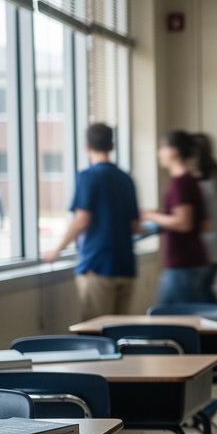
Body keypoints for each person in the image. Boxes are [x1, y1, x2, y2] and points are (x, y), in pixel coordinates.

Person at [43, 124, 141, 319]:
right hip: (125, 265)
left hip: (98, 264)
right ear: (112, 146)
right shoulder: (126, 179)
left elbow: (82, 220)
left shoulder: (88, 177)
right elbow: (135, 226)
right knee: (118, 332)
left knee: (94, 332)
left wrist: (57, 249)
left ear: (87, 147)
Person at [141, 130, 208, 306]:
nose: (159, 152)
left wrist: (149, 215)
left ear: (173, 151)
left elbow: (184, 223)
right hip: (187, 263)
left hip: (183, 263)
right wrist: (160, 214)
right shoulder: (187, 180)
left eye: (162, 147)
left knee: (166, 320)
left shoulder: (181, 182)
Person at [190, 132, 217, 304]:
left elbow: (205, 222)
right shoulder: (212, 175)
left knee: (200, 295)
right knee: (202, 293)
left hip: (208, 250)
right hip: (213, 249)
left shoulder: (204, 182)